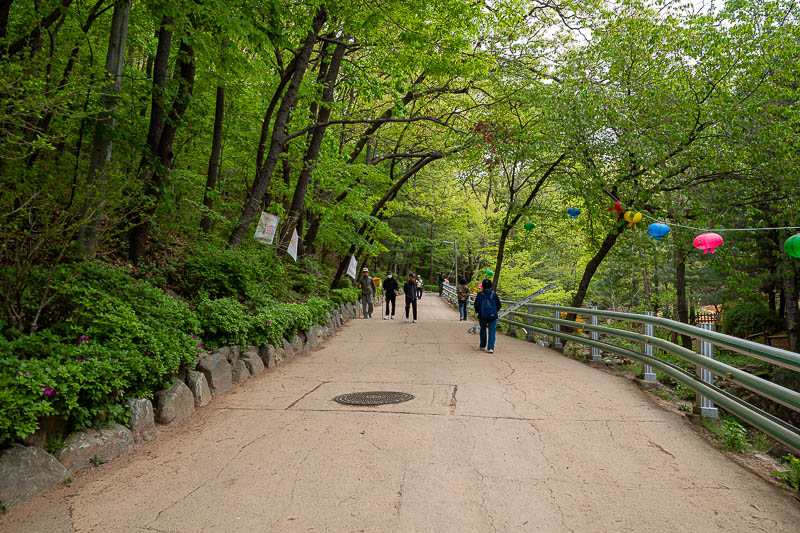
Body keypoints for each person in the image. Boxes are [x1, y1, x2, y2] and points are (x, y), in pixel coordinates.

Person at [473, 279, 502, 353]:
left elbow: (476, 305)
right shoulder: (494, 294)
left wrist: (479, 312)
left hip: (482, 316)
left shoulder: (480, 294)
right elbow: (499, 305)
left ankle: (483, 345)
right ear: (491, 286)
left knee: (483, 329)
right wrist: (494, 311)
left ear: (482, 286)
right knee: (492, 331)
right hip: (492, 315)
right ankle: (490, 348)